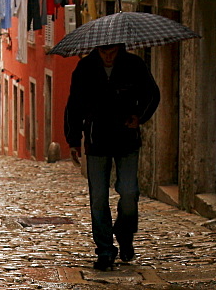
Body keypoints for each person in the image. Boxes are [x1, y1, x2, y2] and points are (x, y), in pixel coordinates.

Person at [64, 43, 160, 271]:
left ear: (120, 49)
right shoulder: (85, 68)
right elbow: (74, 105)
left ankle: (125, 233)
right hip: (97, 140)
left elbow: (152, 94)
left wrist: (140, 117)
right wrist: (73, 139)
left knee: (129, 192)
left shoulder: (134, 65)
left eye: (112, 52)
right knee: (98, 197)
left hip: (126, 138)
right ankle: (105, 250)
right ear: (97, 50)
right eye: (103, 52)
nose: (108, 57)